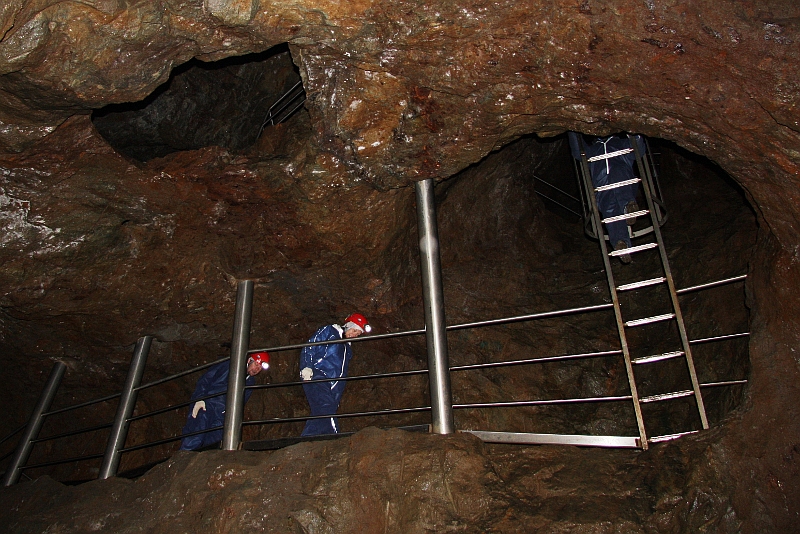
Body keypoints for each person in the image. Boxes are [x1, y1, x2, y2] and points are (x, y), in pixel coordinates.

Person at [569, 131, 647, 263]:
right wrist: (572, 131)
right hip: (603, 190)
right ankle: (621, 244)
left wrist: (635, 133)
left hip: (625, 184)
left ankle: (629, 207)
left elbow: (638, 150)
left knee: (618, 174)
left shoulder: (620, 144)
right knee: (610, 211)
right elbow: (578, 152)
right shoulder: (593, 150)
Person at [179, 351, 270, 450]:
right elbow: (206, 379)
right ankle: (181, 462)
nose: (257, 369)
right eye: (256, 364)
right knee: (194, 438)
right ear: (249, 360)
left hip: (222, 416)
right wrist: (200, 399)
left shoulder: (250, 382)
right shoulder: (230, 365)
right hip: (207, 406)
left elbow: (241, 402)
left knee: (212, 446)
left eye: (260, 367)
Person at [299, 313, 371, 436]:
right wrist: (307, 366)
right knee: (326, 408)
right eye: (354, 331)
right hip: (317, 375)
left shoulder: (347, 349)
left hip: (332, 386)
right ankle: (335, 437)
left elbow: (341, 373)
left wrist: (336, 395)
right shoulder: (330, 332)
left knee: (320, 413)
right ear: (348, 325)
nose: (354, 335)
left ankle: (306, 441)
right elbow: (310, 346)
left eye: (358, 334)